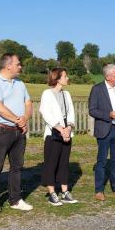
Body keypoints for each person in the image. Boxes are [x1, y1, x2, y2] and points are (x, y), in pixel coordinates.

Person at [0, 53, 33, 216]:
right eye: (18, 64)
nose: (20, 66)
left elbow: (28, 102)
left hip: (19, 130)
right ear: (8, 65)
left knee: (17, 167)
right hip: (1, 130)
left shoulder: (20, 83)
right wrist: (17, 120)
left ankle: (16, 199)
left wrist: (24, 119)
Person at [88, 64, 115, 201]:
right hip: (105, 129)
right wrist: (108, 114)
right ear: (108, 76)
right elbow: (92, 110)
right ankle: (99, 190)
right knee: (101, 161)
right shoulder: (97, 89)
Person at [39, 68, 78, 205]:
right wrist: (60, 129)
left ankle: (65, 191)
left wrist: (68, 128)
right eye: (65, 76)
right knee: (51, 163)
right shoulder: (47, 94)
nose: (67, 78)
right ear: (57, 78)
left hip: (66, 133)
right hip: (53, 135)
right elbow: (45, 112)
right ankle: (52, 193)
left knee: (64, 163)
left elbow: (71, 112)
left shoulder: (66, 94)